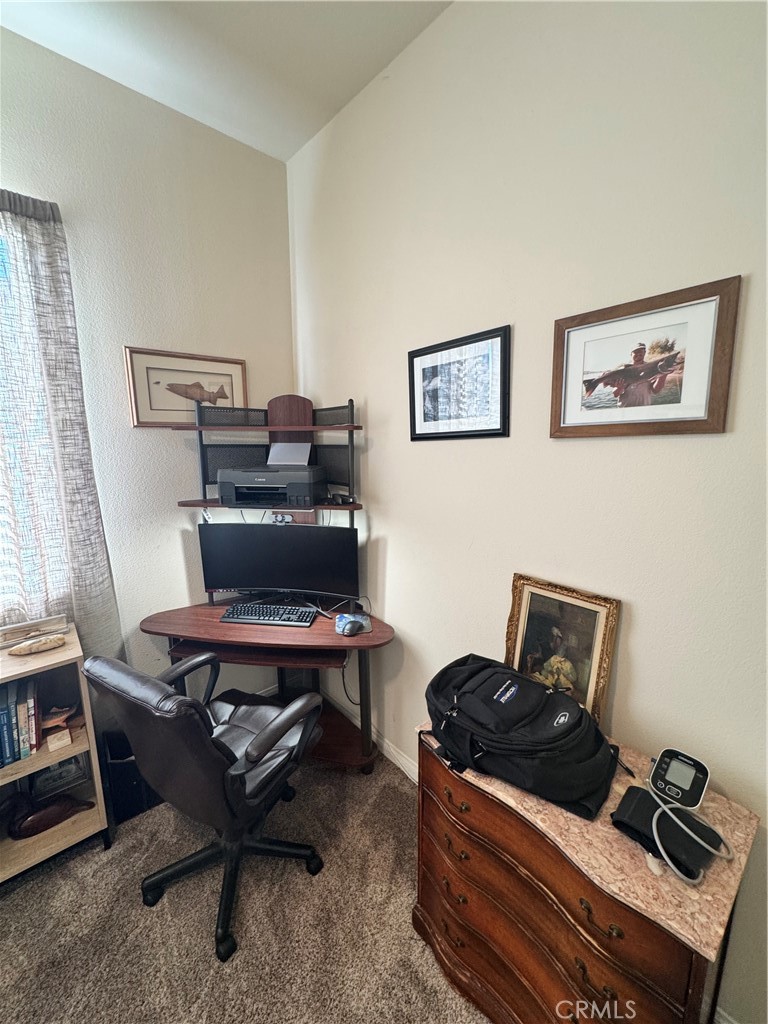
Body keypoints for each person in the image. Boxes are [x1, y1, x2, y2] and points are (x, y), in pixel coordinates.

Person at [613, 343, 669, 408]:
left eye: (641, 353)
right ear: (631, 354)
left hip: (644, 409)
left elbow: (655, 390)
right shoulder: (622, 370)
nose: (639, 355)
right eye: (636, 352)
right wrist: (619, 388)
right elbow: (615, 394)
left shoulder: (651, 368)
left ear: (644, 353)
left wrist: (663, 375)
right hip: (625, 409)